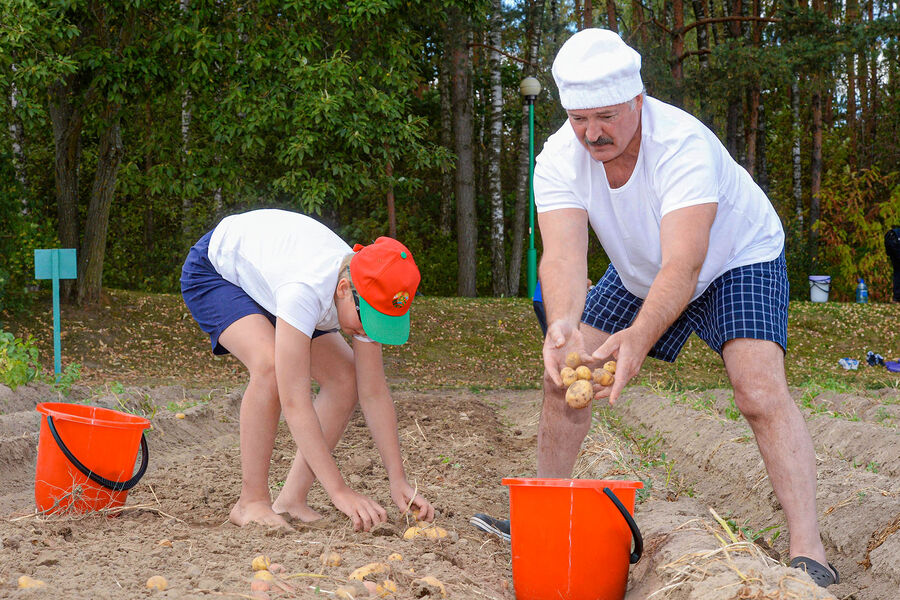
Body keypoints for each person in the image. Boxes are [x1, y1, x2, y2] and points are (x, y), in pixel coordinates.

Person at [473, 29, 839, 588]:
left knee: (759, 392)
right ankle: (542, 515)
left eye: (606, 117)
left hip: (736, 257)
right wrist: (565, 322)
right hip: (640, 268)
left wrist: (639, 338)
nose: (591, 133)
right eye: (578, 118)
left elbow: (684, 267)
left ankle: (808, 548)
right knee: (565, 376)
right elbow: (564, 259)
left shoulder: (682, 145)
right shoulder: (557, 159)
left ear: (637, 101)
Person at [181, 208, 434, 532]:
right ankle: (251, 501)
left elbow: (373, 391)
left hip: (275, 280)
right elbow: (295, 402)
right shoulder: (305, 289)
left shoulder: (363, 290)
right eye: (368, 321)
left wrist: (397, 480)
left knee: (345, 379)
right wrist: (338, 491)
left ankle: (291, 500)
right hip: (217, 273)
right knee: (271, 367)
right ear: (345, 289)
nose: (368, 331)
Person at [886, 225, 900, 302]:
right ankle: (897, 297)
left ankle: (897, 297)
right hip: (895, 243)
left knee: (897, 271)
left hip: (893, 241)